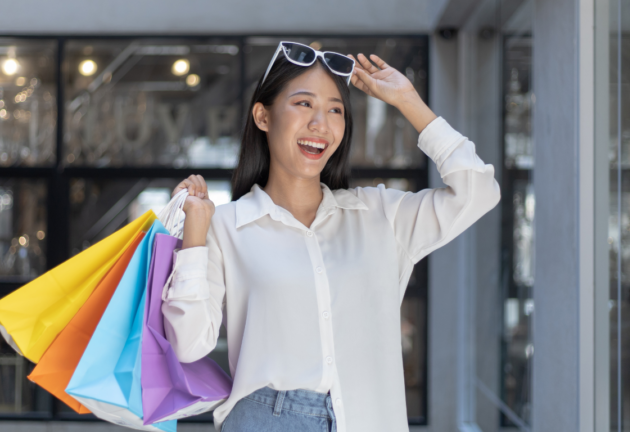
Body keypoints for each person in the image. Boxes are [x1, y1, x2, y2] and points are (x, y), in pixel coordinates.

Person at [161, 42, 501, 432]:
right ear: (263, 116)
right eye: (303, 104)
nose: (320, 123)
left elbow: (478, 193)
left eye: (335, 109)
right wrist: (194, 238)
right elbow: (189, 344)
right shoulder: (226, 226)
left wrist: (409, 102)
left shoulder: (381, 216)